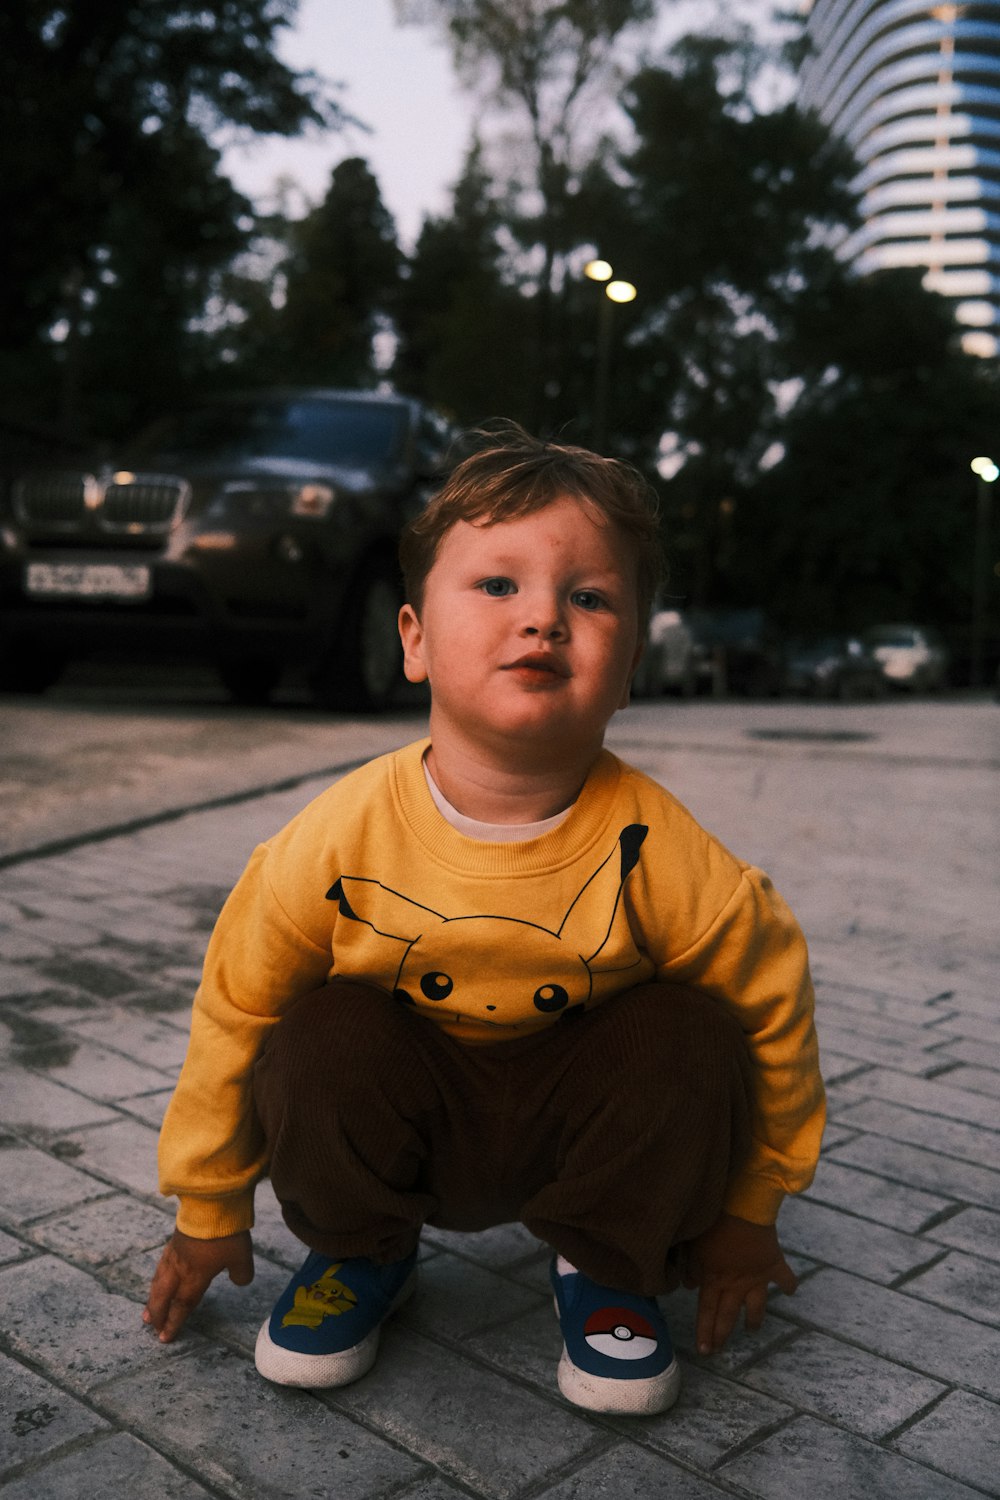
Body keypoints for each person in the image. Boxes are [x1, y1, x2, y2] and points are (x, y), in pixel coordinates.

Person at [144, 423, 825, 1417]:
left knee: (690, 1033)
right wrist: (207, 1206)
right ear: (414, 640)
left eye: (589, 598)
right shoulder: (334, 838)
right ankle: (363, 1253)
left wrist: (748, 1210)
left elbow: (774, 1015)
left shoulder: (665, 849)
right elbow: (233, 1013)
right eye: (498, 586)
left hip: (579, 1129)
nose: (543, 617)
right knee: (313, 1032)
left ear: (629, 663)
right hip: (410, 1120)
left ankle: (603, 1265)